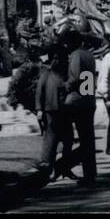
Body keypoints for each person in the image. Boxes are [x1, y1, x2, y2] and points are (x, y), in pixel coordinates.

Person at [61, 30, 98, 185]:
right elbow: (87, 81)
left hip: (76, 101)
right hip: (88, 98)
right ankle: (90, 174)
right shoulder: (89, 55)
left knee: (67, 136)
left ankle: (63, 166)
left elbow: (75, 77)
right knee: (88, 139)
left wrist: (65, 87)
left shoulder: (76, 55)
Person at [36, 51, 75, 180]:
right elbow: (39, 92)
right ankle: (49, 168)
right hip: (50, 111)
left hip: (65, 111)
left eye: (60, 58)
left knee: (68, 140)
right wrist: (39, 110)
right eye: (55, 58)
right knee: (51, 141)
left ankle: (66, 169)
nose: (57, 61)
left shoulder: (67, 74)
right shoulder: (46, 74)